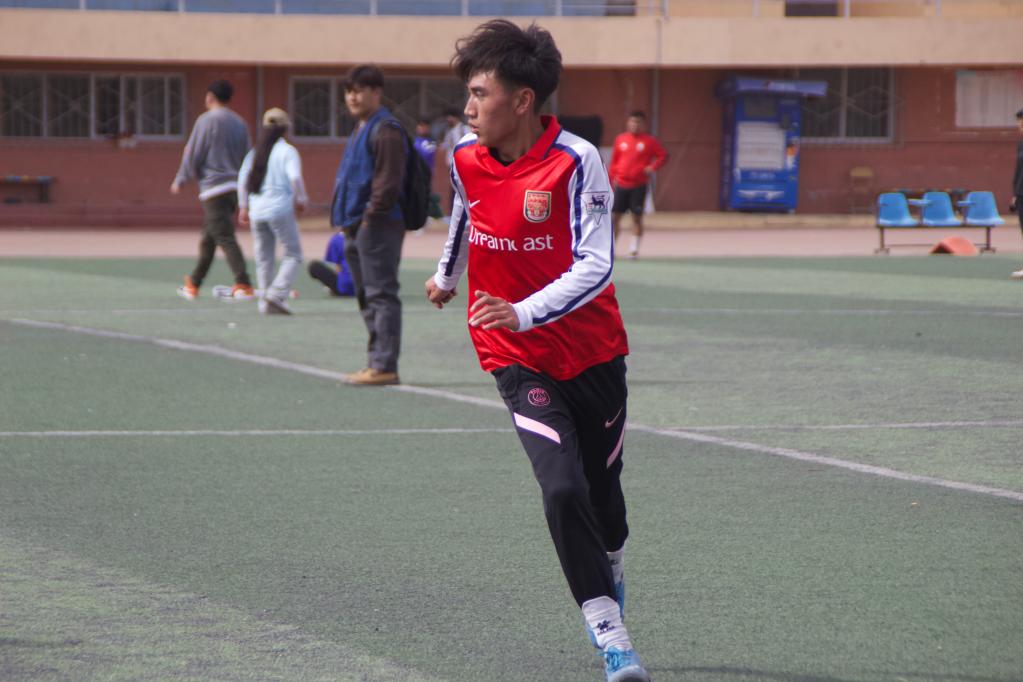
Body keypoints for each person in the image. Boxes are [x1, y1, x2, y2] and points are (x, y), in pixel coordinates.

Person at [424, 20, 650, 682]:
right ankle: (610, 634)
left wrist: (524, 309)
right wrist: (446, 275)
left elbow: (596, 265)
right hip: (512, 354)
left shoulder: (577, 161)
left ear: (522, 99)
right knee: (560, 487)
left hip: (593, 354)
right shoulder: (464, 155)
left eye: (479, 93)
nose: (468, 107)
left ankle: (609, 566)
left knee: (604, 499)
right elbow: (466, 213)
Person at [330, 64, 408, 386]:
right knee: (366, 295)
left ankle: (384, 365)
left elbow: (387, 183)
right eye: (348, 91)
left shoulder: (385, 129)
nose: (352, 97)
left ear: (377, 92)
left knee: (381, 294)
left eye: (359, 90)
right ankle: (376, 361)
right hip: (357, 226)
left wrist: (368, 220)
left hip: (377, 226)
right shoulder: (362, 127)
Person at [171, 79, 254, 301]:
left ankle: (243, 282)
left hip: (214, 189)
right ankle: (194, 284)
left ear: (209, 97)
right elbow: (248, 157)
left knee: (224, 236)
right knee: (209, 238)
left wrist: (181, 178)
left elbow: (193, 152)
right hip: (234, 188)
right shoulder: (240, 123)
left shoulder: (206, 120)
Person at [237, 107, 308, 315]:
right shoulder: (287, 151)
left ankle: (264, 302)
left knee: (263, 258)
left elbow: (242, 180)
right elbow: (295, 177)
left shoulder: (255, 153)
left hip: (257, 210)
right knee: (293, 254)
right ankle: (276, 294)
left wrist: (243, 207)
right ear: (285, 129)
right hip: (279, 208)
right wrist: (302, 199)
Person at [607, 111, 667, 260]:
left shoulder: (649, 141)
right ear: (628, 123)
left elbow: (663, 155)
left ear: (643, 124)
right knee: (615, 217)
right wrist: (611, 178)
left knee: (636, 218)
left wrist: (652, 167)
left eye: (638, 122)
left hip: (639, 185)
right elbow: (614, 161)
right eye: (632, 122)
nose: (634, 125)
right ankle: (611, 250)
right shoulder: (620, 139)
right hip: (621, 184)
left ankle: (633, 250)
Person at [308, 231, 356, 297]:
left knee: (314, 266)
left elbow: (338, 268)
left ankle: (332, 289)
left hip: (345, 289)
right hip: (365, 288)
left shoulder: (336, 239)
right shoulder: (366, 235)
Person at [1010, 108, 1023, 279]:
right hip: (1021, 192)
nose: (1021, 127)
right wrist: (1015, 192)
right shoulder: (1021, 145)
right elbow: (1019, 170)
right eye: (1019, 124)